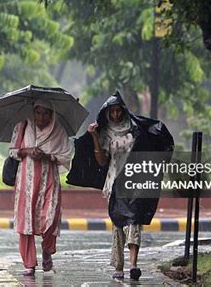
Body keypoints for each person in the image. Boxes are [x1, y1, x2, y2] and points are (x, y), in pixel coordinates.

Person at [68, 91, 174, 281]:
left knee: (133, 221)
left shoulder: (136, 129)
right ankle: (119, 265)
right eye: (112, 112)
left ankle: (133, 265)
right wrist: (94, 137)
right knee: (118, 223)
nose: (116, 115)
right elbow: (101, 162)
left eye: (119, 110)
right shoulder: (105, 133)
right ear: (107, 113)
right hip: (114, 182)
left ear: (123, 111)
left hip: (135, 181)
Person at [9, 99, 73, 276]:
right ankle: (29, 263)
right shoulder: (22, 126)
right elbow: (13, 151)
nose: (42, 117)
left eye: (46, 113)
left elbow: (65, 155)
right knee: (26, 220)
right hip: (26, 181)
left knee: (50, 217)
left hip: (49, 179)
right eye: (38, 112)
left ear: (52, 114)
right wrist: (28, 151)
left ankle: (47, 251)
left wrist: (48, 156)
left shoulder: (58, 130)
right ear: (33, 112)